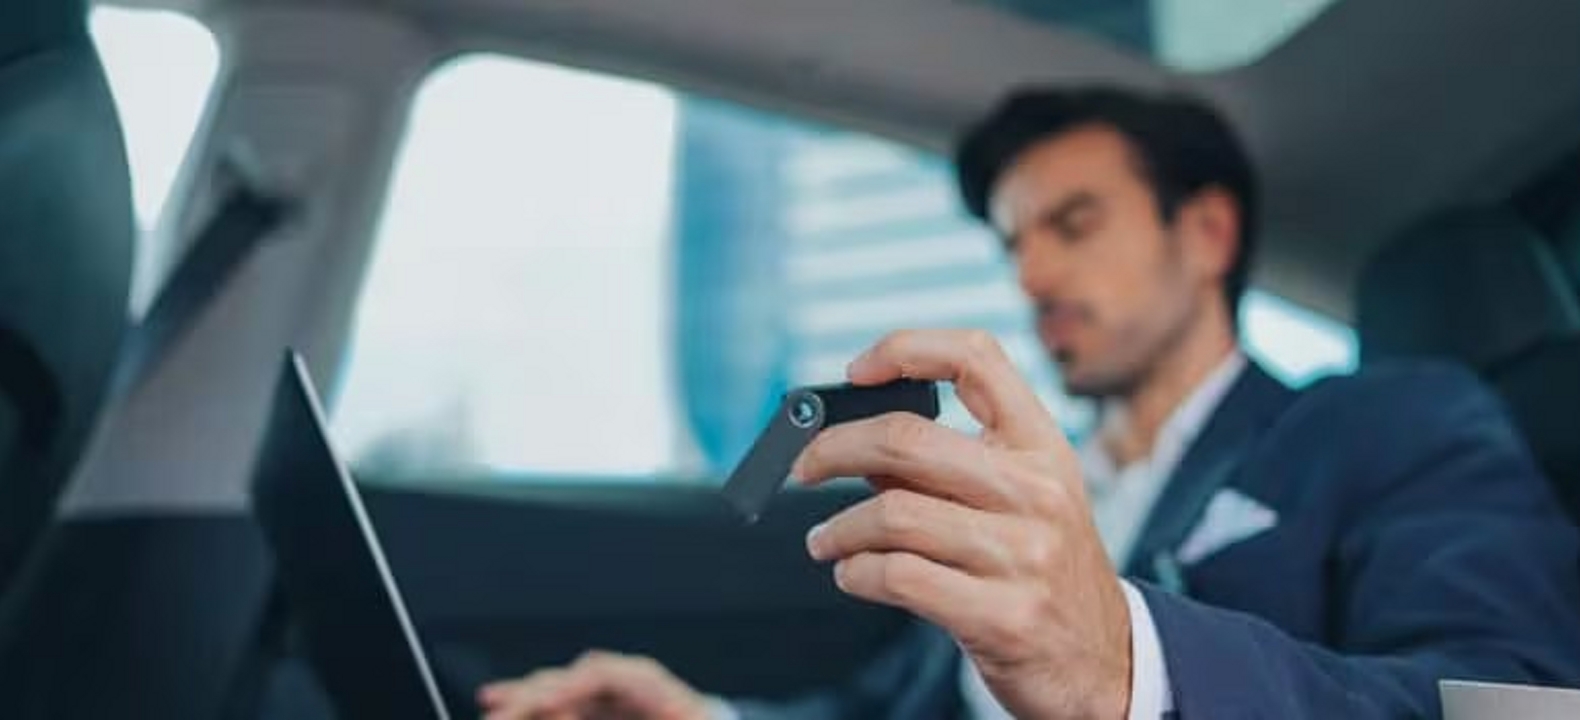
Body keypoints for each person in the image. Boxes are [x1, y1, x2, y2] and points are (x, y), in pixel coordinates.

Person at [477, 87, 1580, 719]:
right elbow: (893, 711)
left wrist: (1129, 666)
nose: (1033, 275)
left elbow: (1516, 704)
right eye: (1013, 244)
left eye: (1074, 225)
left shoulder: (1386, 425)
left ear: (1204, 233)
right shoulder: (1023, 482)